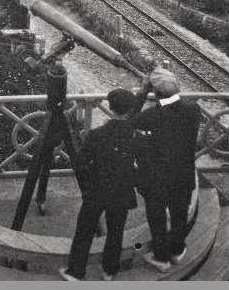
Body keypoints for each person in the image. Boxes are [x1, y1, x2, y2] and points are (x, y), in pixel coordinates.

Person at [59, 88, 142, 282]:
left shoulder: (97, 134)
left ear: (110, 108)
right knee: (116, 231)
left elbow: (81, 163)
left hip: (97, 188)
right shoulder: (134, 135)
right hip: (122, 190)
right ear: (129, 110)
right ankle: (110, 271)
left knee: (84, 230)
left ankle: (76, 271)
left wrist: (91, 180)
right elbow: (140, 162)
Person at [133, 65, 201, 273]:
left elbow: (129, 119)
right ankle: (177, 250)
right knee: (179, 213)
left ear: (155, 92)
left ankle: (161, 258)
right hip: (183, 174)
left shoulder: (150, 116)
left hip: (157, 177)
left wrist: (143, 92)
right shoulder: (193, 110)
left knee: (157, 216)